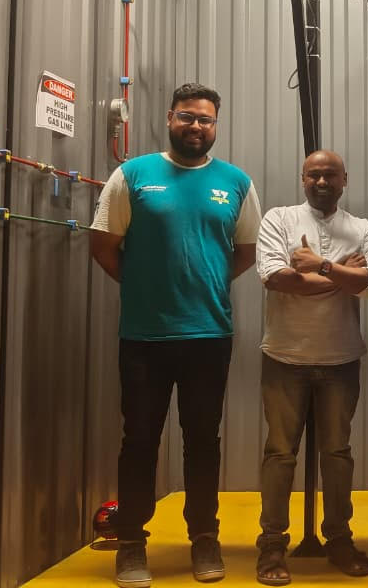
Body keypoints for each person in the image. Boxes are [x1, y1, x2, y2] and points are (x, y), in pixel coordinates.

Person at [90, 83, 261, 588]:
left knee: (203, 441)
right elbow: (103, 245)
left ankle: (204, 539)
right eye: (187, 117)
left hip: (209, 336)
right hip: (144, 337)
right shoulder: (133, 175)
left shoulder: (235, 183)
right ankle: (131, 544)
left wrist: (202, 283)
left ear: (216, 126)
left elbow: (246, 251)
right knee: (139, 439)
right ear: (170, 119)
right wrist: (147, 286)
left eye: (206, 120)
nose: (196, 127)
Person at [254, 150, 368, 586]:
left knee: (337, 455)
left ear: (345, 179)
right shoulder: (279, 219)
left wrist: (318, 267)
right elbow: (277, 277)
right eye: (314, 174)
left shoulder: (363, 229)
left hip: (340, 360)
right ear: (303, 178)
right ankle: (272, 545)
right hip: (284, 358)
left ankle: (339, 540)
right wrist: (340, 276)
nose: (322, 181)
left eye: (330, 174)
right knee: (279, 455)